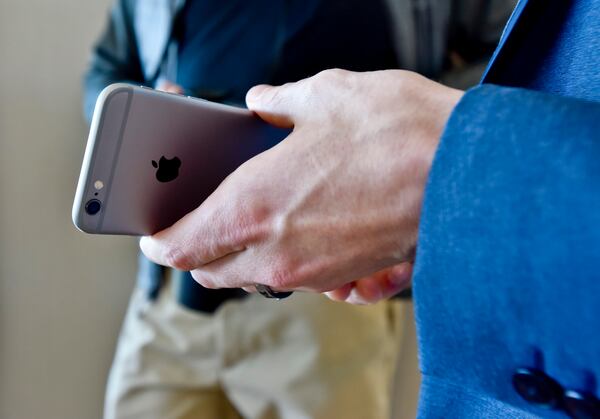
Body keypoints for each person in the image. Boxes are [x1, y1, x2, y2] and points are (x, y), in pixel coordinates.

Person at [140, 0, 600, 417]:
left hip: (332, 288)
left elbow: (506, 64)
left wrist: (437, 160)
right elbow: (112, 60)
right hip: (168, 296)